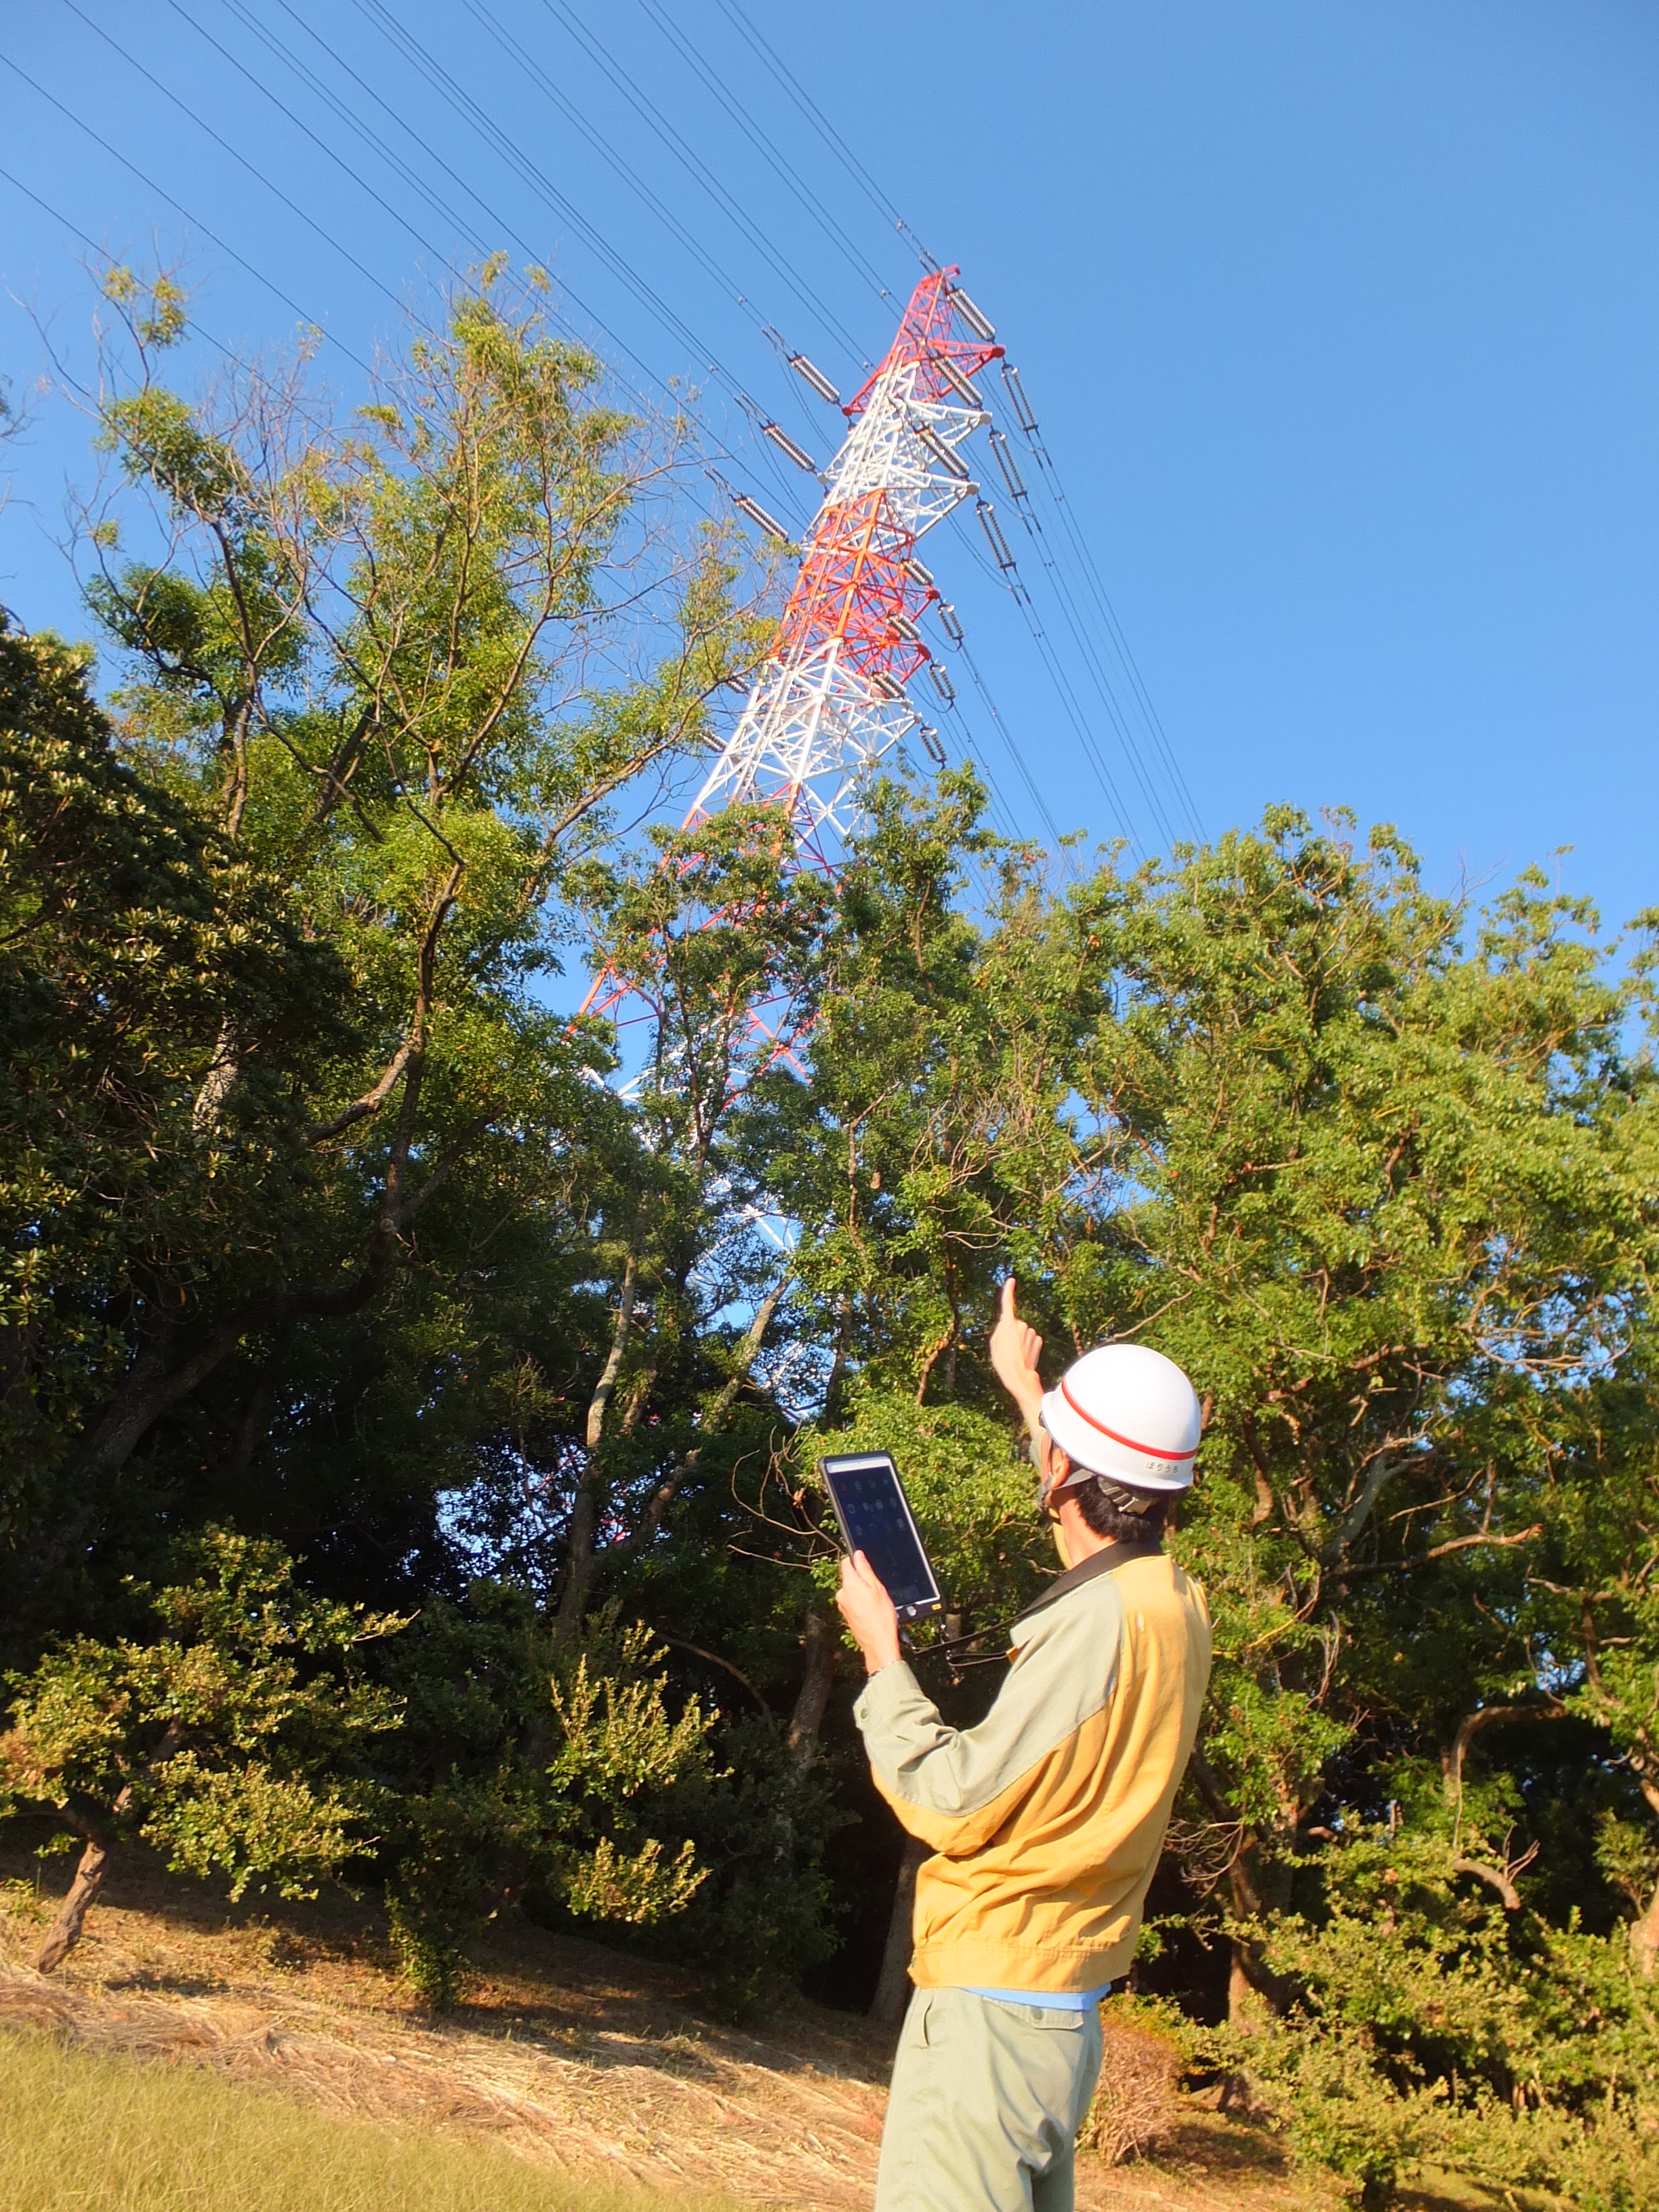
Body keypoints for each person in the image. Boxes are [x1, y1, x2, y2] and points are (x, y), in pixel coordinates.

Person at [836, 1280, 1213, 2212]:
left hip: (988, 2021)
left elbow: (948, 1800)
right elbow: (1098, 1540)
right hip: (1062, 2015)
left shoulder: (1095, 1630)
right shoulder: (1174, 1605)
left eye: (1049, 1455)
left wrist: (884, 1656)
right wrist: (1028, 1391)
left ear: (1060, 1476)